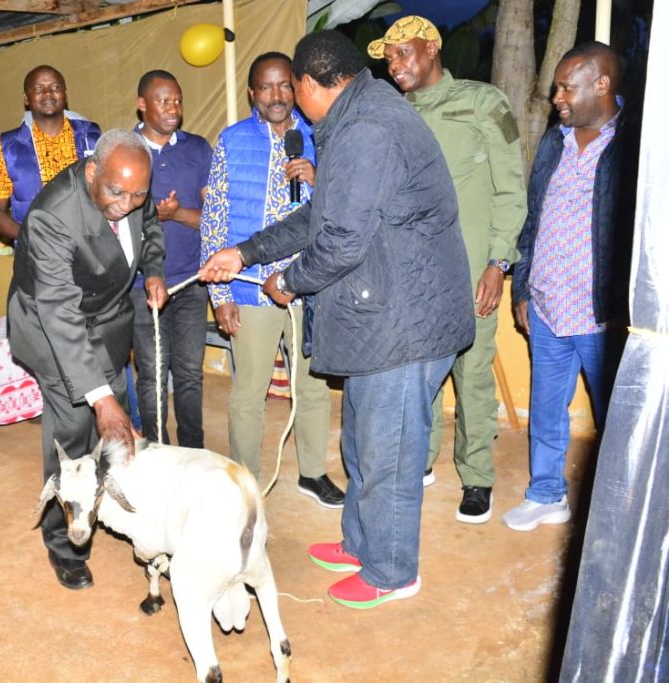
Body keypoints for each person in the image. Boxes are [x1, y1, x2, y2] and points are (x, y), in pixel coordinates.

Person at [200, 30, 474, 609]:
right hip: (388, 314)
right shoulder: (355, 120)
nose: (295, 102)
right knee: (362, 443)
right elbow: (317, 219)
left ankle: (392, 570)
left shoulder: (368, 129)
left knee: (388, 452)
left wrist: (287, 282)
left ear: (311, 81)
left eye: (296, 90)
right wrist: (245, 253)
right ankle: (360, 541)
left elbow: (340, 241)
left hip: (407, 322)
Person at [369, 15, 527, 524]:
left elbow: (510, 189)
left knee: (472, 373)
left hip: (469, 270)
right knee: (420, 375)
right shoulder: (395, 112)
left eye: (404, 53)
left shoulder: (484, 103)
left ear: (433, 47)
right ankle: (421, 459)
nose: (395, 66)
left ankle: (477, 476)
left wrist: (497, 264)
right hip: (414, 275)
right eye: (389, 59)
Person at [8, 129, 168, 590]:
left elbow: (151, 225)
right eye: (117, 192)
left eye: (138, 193)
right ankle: (64, 541)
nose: (128, 202)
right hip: (53, 329)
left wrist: (153, 270)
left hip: (108, 322)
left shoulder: (133, 185)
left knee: (114, 427)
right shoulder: (51, 216)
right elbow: (58, 309)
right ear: (93, 171)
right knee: (74, 432)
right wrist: (99, 398)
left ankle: (115, 508)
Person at [199, 52, 343, 508]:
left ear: (298, 88)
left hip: (309, 286)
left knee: (313, 387)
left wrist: (318, 180)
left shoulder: (320, 135)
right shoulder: (232, 140)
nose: (277, 96)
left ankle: (313, 474)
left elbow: (346, 207)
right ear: (252, 94)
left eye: (285, 86)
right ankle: (245, 481)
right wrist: (221, 294)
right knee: (248, 394)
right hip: (251, 289)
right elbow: (214, 221)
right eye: (267, 87)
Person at [503, 42, 636, 532]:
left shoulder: (633, 144)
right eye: (557, 86)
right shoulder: (556, 141)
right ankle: (546, 495)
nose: (556, 96)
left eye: (566, 86)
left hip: (603, 315)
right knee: (546, 409)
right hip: (547, 305)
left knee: (616, 419)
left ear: (601, 84)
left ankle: (621, 514)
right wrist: (522, 288)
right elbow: (534, 214)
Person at [130, 70, 211, 447]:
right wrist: (150, 218)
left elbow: (212, 219)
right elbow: (112, 222)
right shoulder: (122, 151)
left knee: (190, 373)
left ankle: (193, 451)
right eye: (164, 100)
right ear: (141, 104)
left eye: (177, 99)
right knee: (152, 374)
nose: (174, 108)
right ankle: (156, 452)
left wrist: (175, 214)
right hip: (141, 285)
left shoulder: (197, 149)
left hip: (192, 280)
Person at [0, 65, 101, 241]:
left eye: (55, 87)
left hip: (89, 247)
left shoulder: (91, 135)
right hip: (37, 255)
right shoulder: (8, 146)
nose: (47, 93)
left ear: (65, 95)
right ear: (26, 98)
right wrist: (30, 236)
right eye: (38, 89)